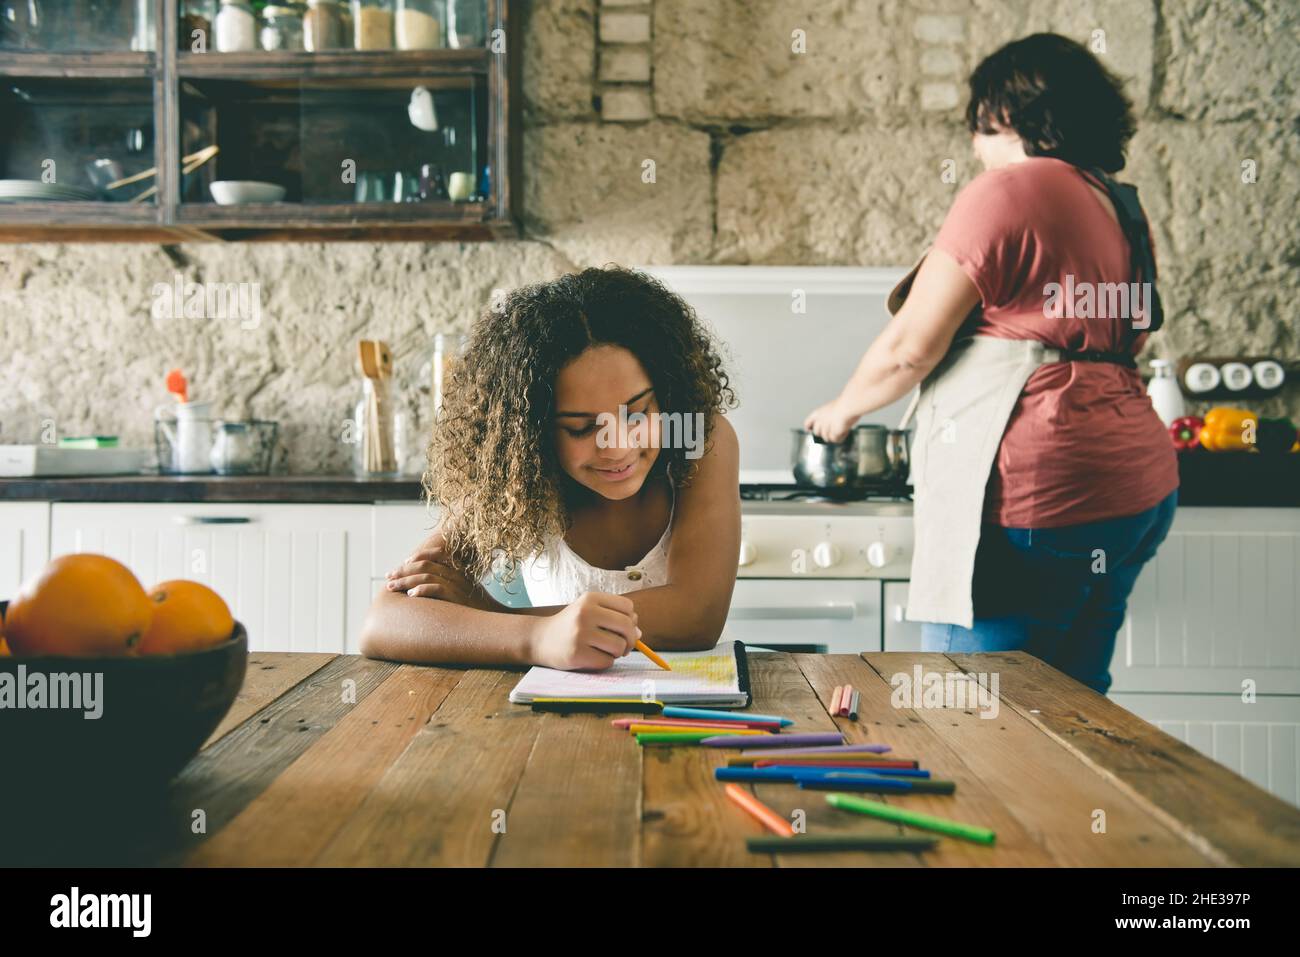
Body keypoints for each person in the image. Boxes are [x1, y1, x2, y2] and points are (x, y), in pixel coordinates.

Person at [804, 33, 1178, 694]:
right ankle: (1077, 804)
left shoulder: (1007, 190)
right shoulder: (1119, 206)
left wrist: (839, 413)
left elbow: (910, 346)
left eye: (977, 128)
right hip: (1136, 489)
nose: (974, 148)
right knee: (1075, 706)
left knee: (964, 709)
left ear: (1003, 116)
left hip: (1042, 493)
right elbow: (1135, 336)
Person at [360, 264, 741, 671]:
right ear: (533, 432)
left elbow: (695, 617)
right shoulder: (516, 470)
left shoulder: (701, 440)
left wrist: (496, 619)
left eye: (637, 413)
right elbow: (383, 622)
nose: (618, 447)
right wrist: (538, 639)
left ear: (666, 394)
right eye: (581, 427)